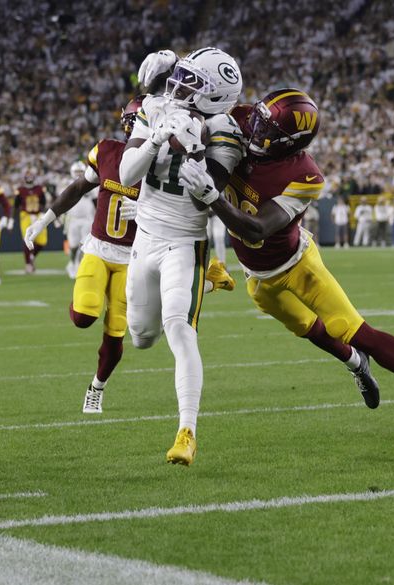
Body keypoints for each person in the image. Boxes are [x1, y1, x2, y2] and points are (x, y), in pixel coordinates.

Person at [178, 88, 394, 442]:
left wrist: (211, 196)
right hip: (257, 277)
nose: (254, 128)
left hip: (297, 264)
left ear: (288, 143)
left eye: (265, 128)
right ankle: (356, 364)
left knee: (354, 330)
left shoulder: (304, 175)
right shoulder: (238, 120)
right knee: (308, 330)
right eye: (257, 118)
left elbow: (257, 228)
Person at [24, 96, 235, 417]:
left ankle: (96, 388)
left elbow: (184, 203)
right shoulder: (108, 151)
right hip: (98, 246)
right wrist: (44, 219)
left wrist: (148, 207)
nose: (131, 124)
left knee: (120, 332)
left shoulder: (164, 161)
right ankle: (207, 283)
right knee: (83, 316)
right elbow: (79, 186)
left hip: (135, 255)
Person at [119, 47, 245, 466]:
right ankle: (207, 282)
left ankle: (187, 431)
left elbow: (208, 203)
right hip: (145, 236)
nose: (179, 84)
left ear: (214, 98)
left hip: (184, 243)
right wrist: (157, 136)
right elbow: (126, 174)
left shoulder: (225, 136)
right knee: (140, 336)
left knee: (179, 328)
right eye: (183, 75)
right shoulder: (155, 108)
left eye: (194, 82)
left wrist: (194, 153)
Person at [63, 161, 97, 279]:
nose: (78, 174)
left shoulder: (92, 182)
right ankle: (72, 262)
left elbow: (96, 201)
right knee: (72, 245)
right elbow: (62, 201)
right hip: (73, 219)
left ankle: (79, 266)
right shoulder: (67, 184)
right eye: (76, 172)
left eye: (80, 172)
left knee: (84, 245)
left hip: (87, 219)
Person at [15, 169, 47, 273]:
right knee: (27, 239)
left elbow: (43, 202)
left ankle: (32, 256)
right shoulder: (20, 190)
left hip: (38, 215)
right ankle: (28, 263)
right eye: (27, 176)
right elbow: (16, 205)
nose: (29, 178)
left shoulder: (39, 189)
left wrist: (42, 212)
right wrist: (10, 219)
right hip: (26, 215)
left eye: (30, 176)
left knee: (42, 241)